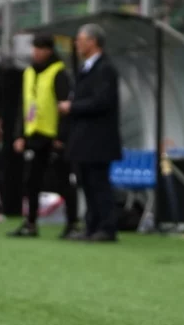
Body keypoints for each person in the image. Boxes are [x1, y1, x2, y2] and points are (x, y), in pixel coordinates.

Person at [9, 34, 79, 239]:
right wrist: (20, 134)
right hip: (35, 133)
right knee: (31, 181)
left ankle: (72, 223)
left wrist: (61, 136)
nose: (36, 53)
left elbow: (65, 107)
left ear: (49, 50)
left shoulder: (58, 72)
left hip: (53, 135)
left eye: (40, 49)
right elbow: (25, 105)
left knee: (63, 181)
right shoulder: (29, 72)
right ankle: (30, 223)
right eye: (35, 48)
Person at [59, 23, 121, 242]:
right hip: (84, 139)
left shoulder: (105, 69)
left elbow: (102, 101)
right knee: (86, 184)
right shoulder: (85, 68)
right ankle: (91, 226)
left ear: (93, 42)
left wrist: (72, 107)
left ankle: (107, 227)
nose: (77, 44)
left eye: (81, 39)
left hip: (98, 139)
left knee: (99, 183)